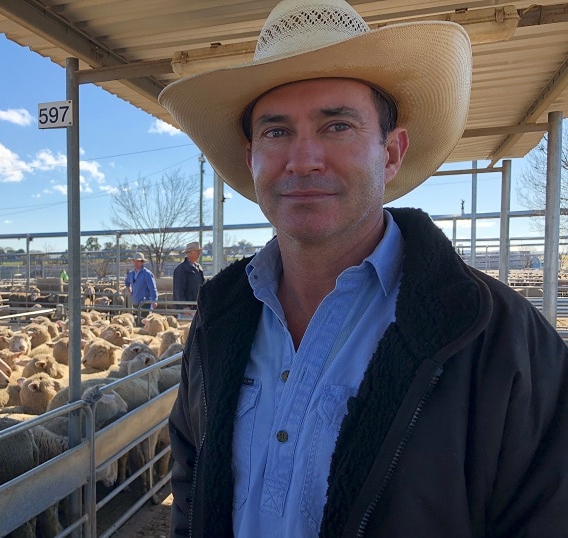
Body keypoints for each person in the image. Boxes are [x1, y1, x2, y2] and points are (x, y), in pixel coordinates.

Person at [159, 0, 568, 536]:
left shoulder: (502, 341)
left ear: (392, 153)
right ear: (251, 157)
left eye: (337, 126)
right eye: (276, 132)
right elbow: (193, 479)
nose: (303, 160)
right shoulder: (218, 317)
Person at [172, 241, 204, 311]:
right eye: (198, 252)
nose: (199, 254)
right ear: (190, 253)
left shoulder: (199, 268)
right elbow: (179, 290)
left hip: (196, 307)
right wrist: (185, 306)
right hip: (186, 309)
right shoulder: (181, 269)